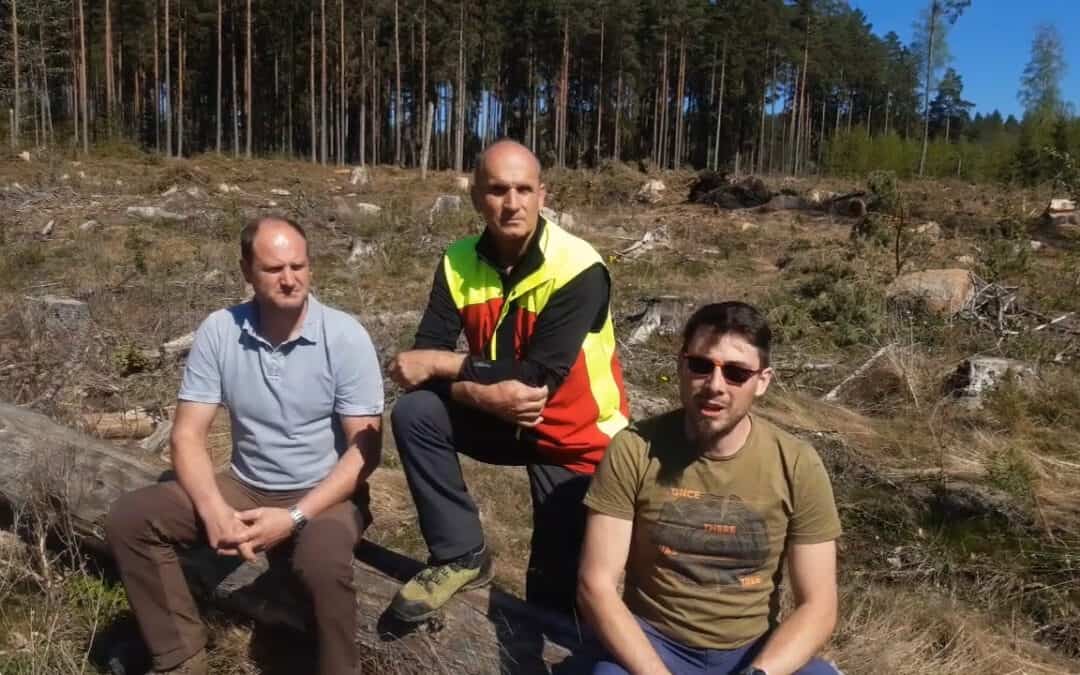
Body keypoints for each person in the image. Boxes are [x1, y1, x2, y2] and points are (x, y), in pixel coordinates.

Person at [105, 217, 384, 675]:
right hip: (247, 483)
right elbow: (188, 435)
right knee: (131, 518)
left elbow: (364, 451)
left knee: (321, 565)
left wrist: (294, 517)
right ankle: (180, 656)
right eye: (274, 268)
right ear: (247, 271)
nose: (290, 279)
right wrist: (214, 509)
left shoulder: (344, 336)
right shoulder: (221, 330)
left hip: (327, 491)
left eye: (299, 266)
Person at [387, 139, 629, 621]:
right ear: (477, 197)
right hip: (501, 417)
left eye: (523, 189)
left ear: (544, 195)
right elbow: (421, 361)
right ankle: (461, 554)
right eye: (498, 190)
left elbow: (536, 378)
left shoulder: (580, 267)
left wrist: (445, 367)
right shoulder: (457, 261)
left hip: (577, 439)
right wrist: (478, 391)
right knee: (415, 413)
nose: (512, 203)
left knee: (555, 597)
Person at [578, 302, 842, 675]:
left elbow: (818, 605)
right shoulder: (635, 448)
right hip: (652, 645)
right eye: (701, 366)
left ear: (762, 381)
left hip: (751, 653)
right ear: (681, 366)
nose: (715, 386)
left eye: (736, 373)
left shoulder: (797, 463)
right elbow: (596, 585)